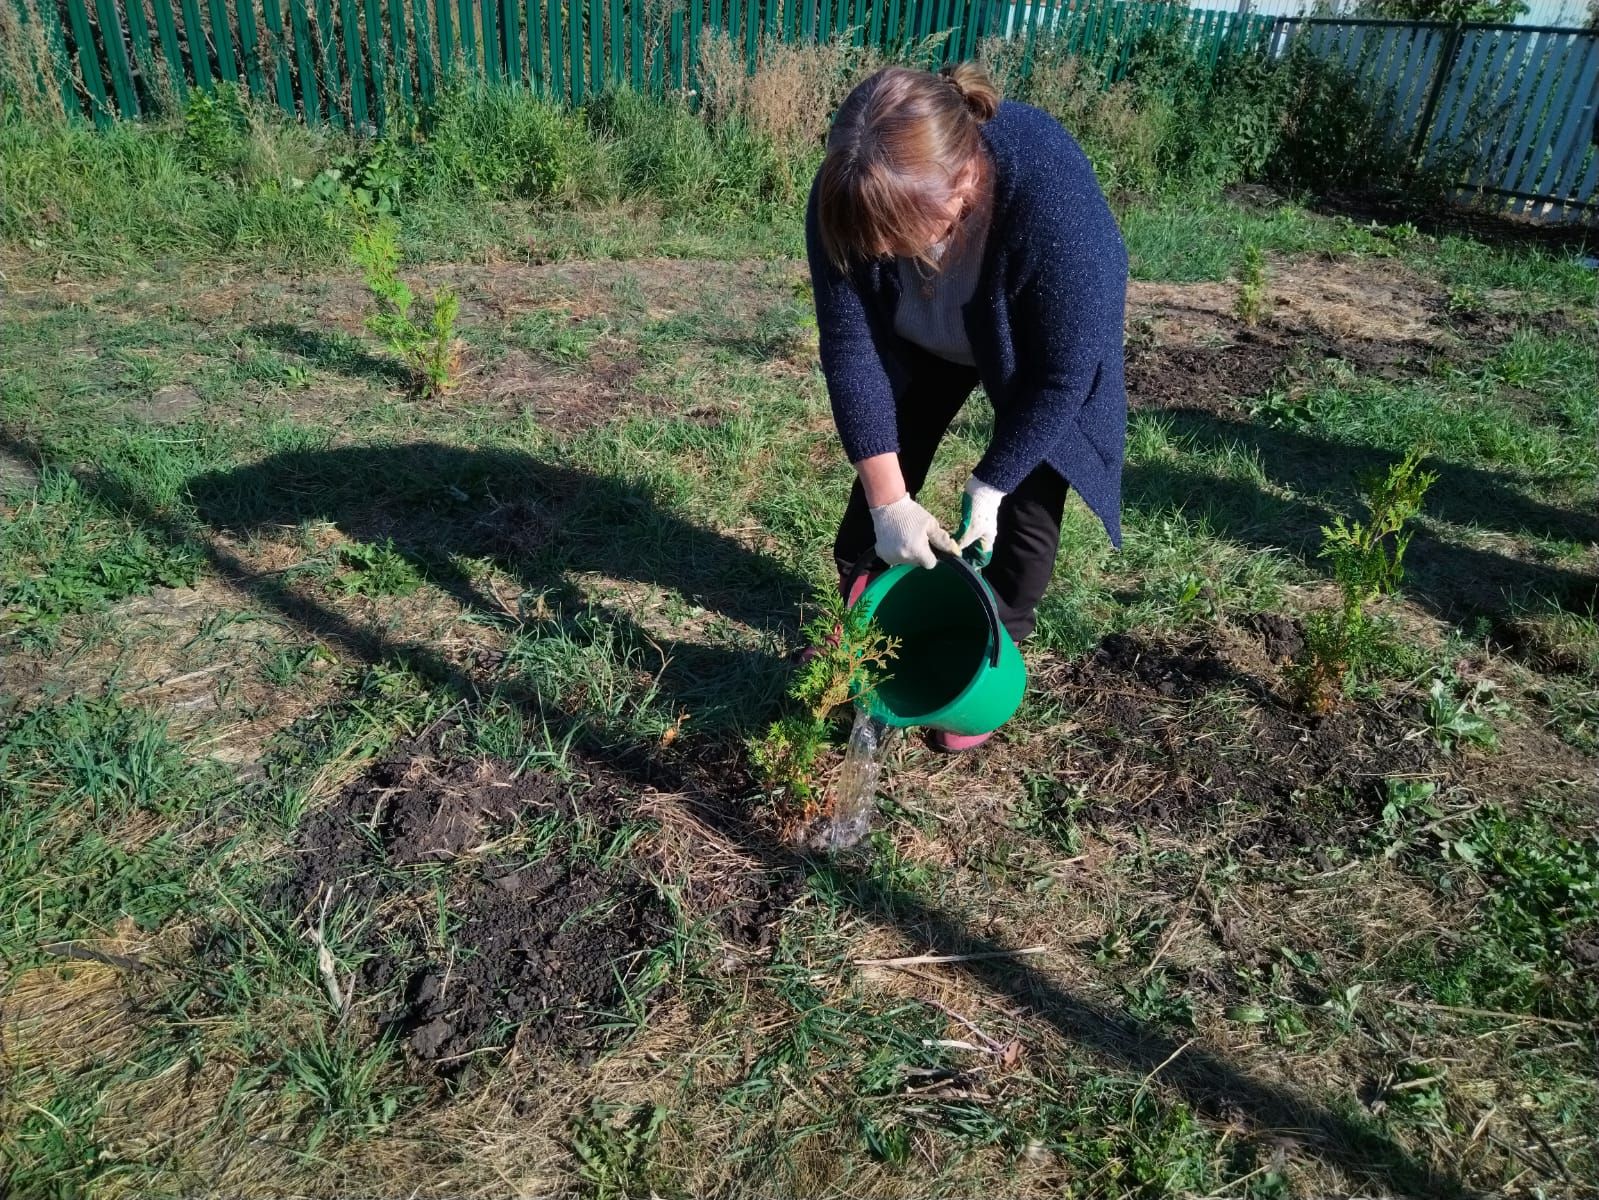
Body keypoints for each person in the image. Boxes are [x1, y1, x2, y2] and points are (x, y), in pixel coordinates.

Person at [806, 61, 1128, 753]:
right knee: (883, 479)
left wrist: (992, 482)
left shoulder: (1051, 201)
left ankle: (993, 644)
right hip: (920, 337)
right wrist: (889, 503)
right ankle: (868, 619)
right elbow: (850, 347)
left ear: (962, 183)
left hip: (1031, 350)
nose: (884, 253)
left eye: (900, 237)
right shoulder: (851, 182)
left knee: (1029, 506)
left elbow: (1065, 373)